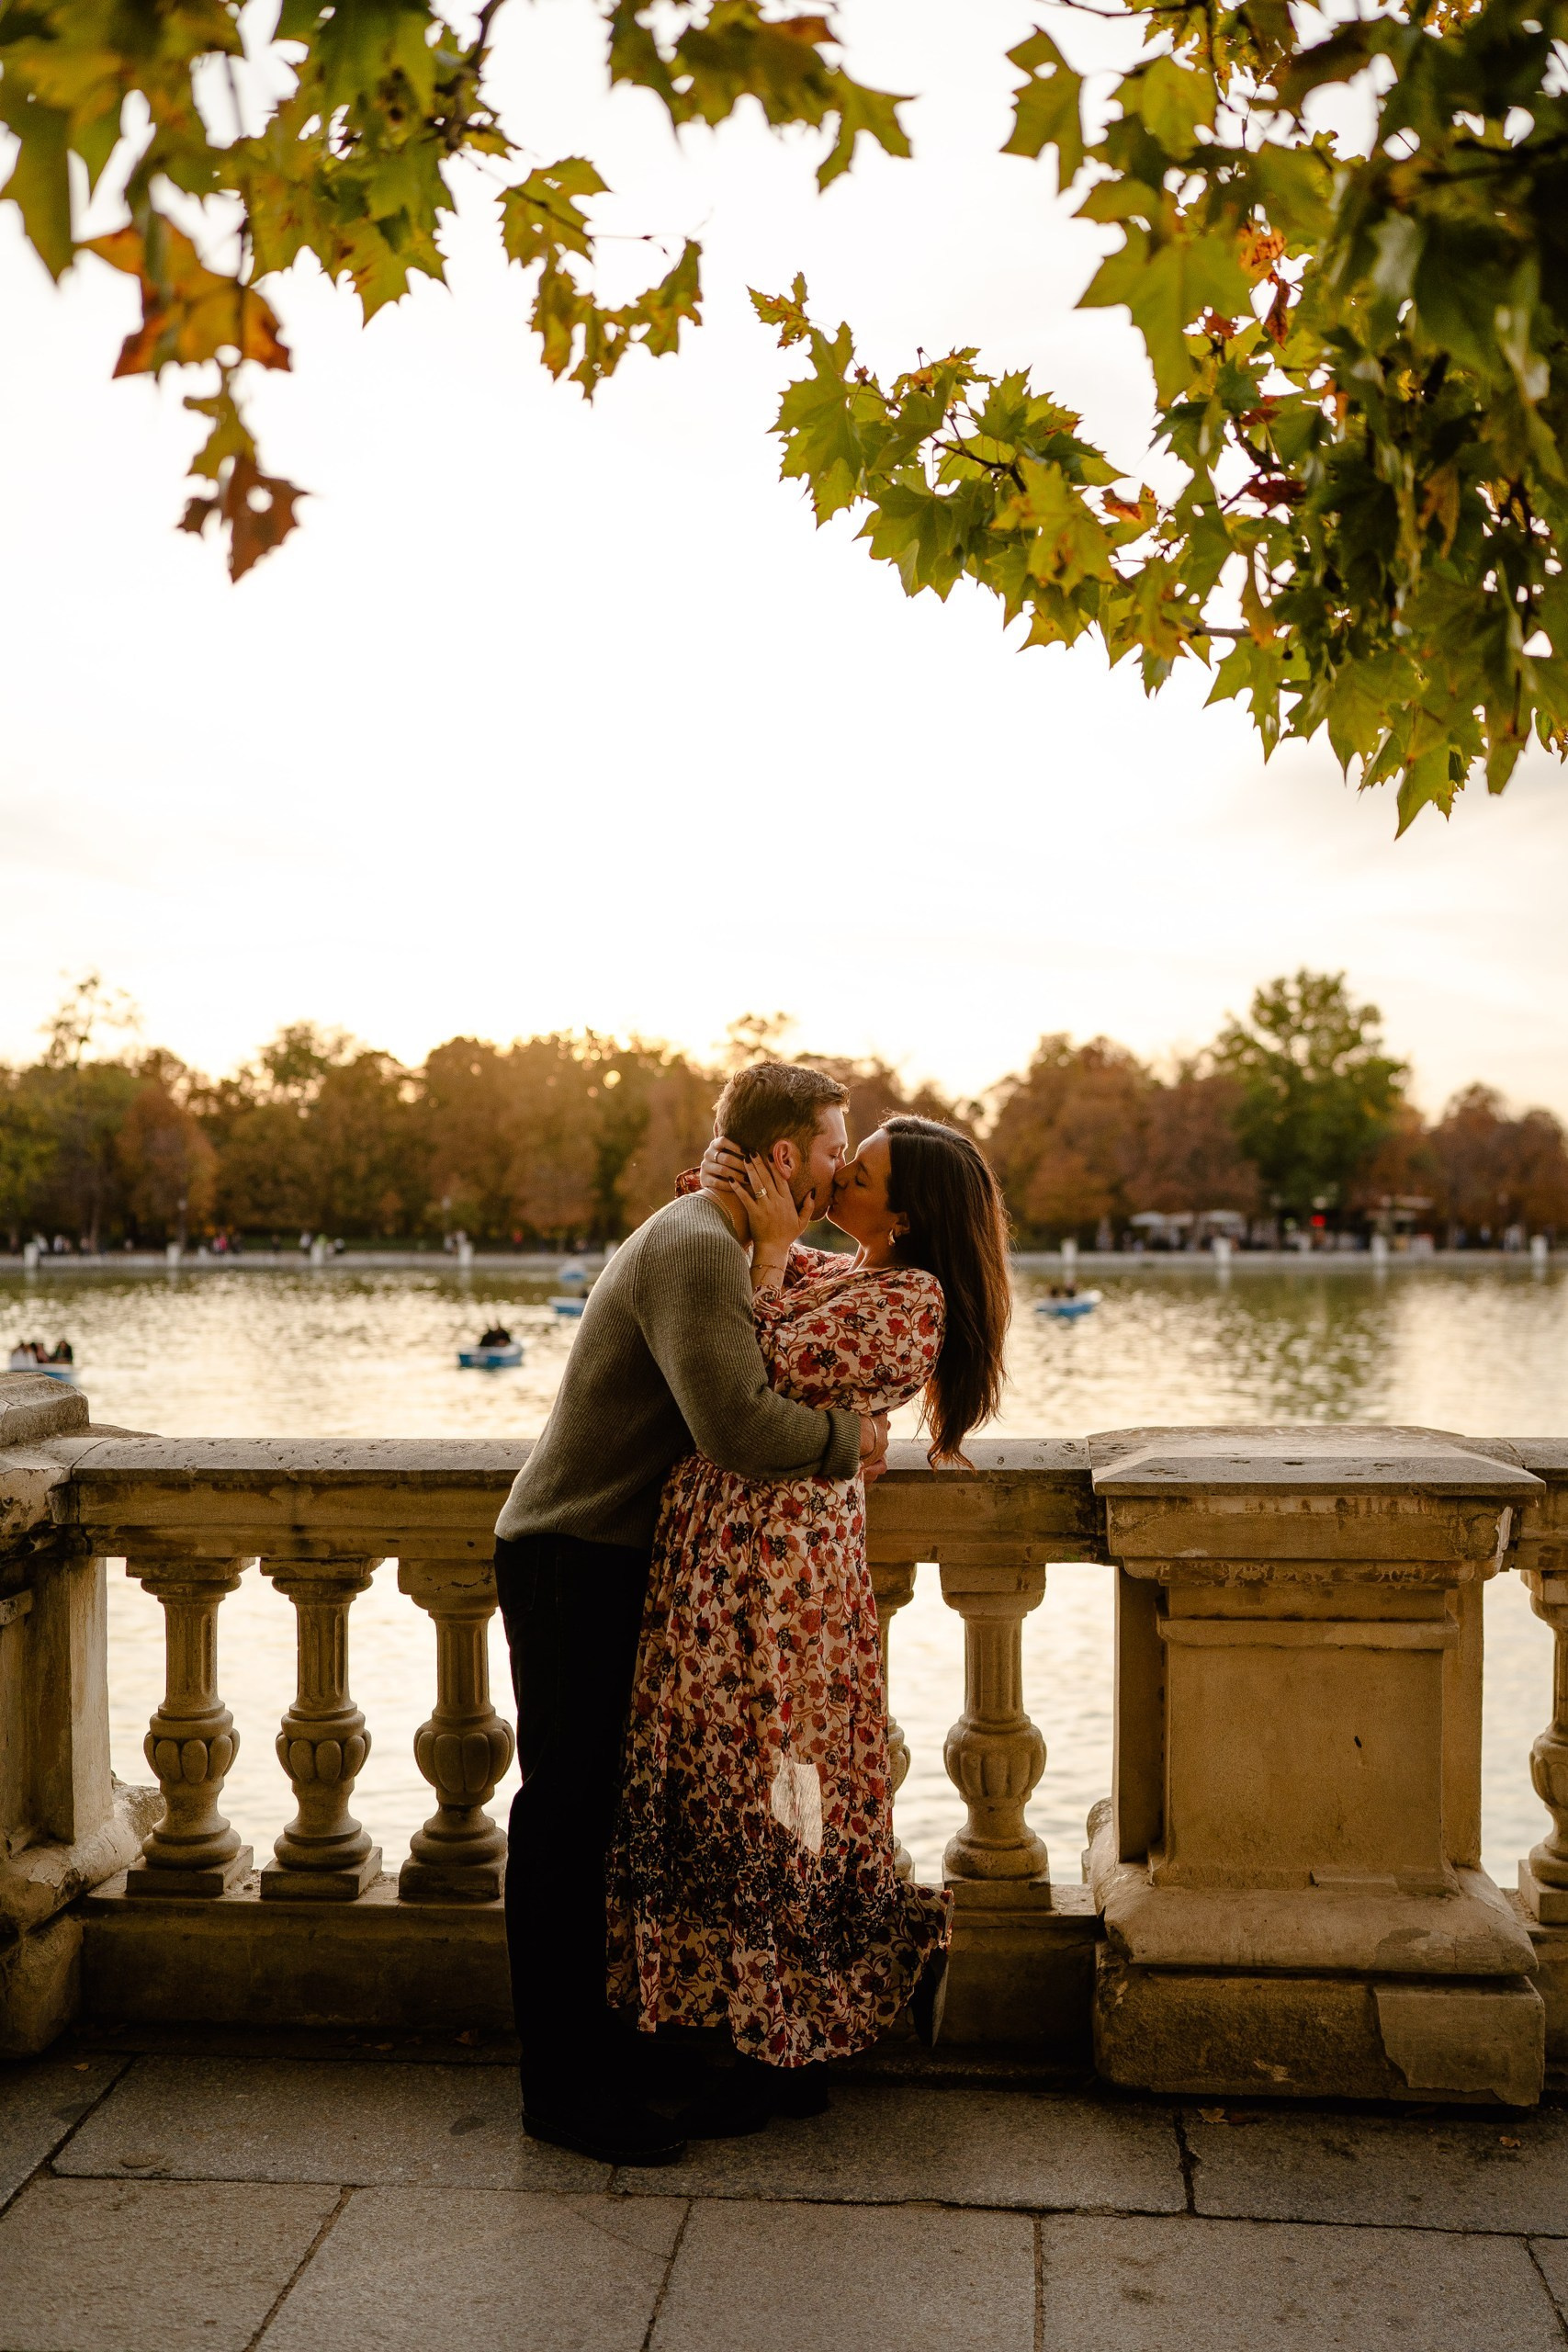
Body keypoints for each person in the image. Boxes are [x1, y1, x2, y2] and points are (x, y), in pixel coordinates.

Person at [491, 1062, 891, 2167]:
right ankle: (559, 2088)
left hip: (612, 1556)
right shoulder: (697, 1246)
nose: (840, 1169)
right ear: (774, 1158)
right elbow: (738, 1425)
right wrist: (849, 1447)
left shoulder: (729, 1242)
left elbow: (815, 1297)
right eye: (827, 1150)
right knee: (564, 1819)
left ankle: (611, 2051)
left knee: (605, 1816)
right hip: (570, 1553)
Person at [606, 1112, 1012, 2134]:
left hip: (782, 1582)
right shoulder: (844, 1270)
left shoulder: (910, 1297)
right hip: (731, 1563)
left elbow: (758, 1370)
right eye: (841, 1158)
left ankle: (783, 2045)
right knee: (729, 1786)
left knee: (783, 1795)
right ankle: (739, 2023)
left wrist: (774, 1248)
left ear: (907, 1210)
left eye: (859, 1172)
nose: (837, 1179)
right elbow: (732, 1311)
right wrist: (750, 1214)